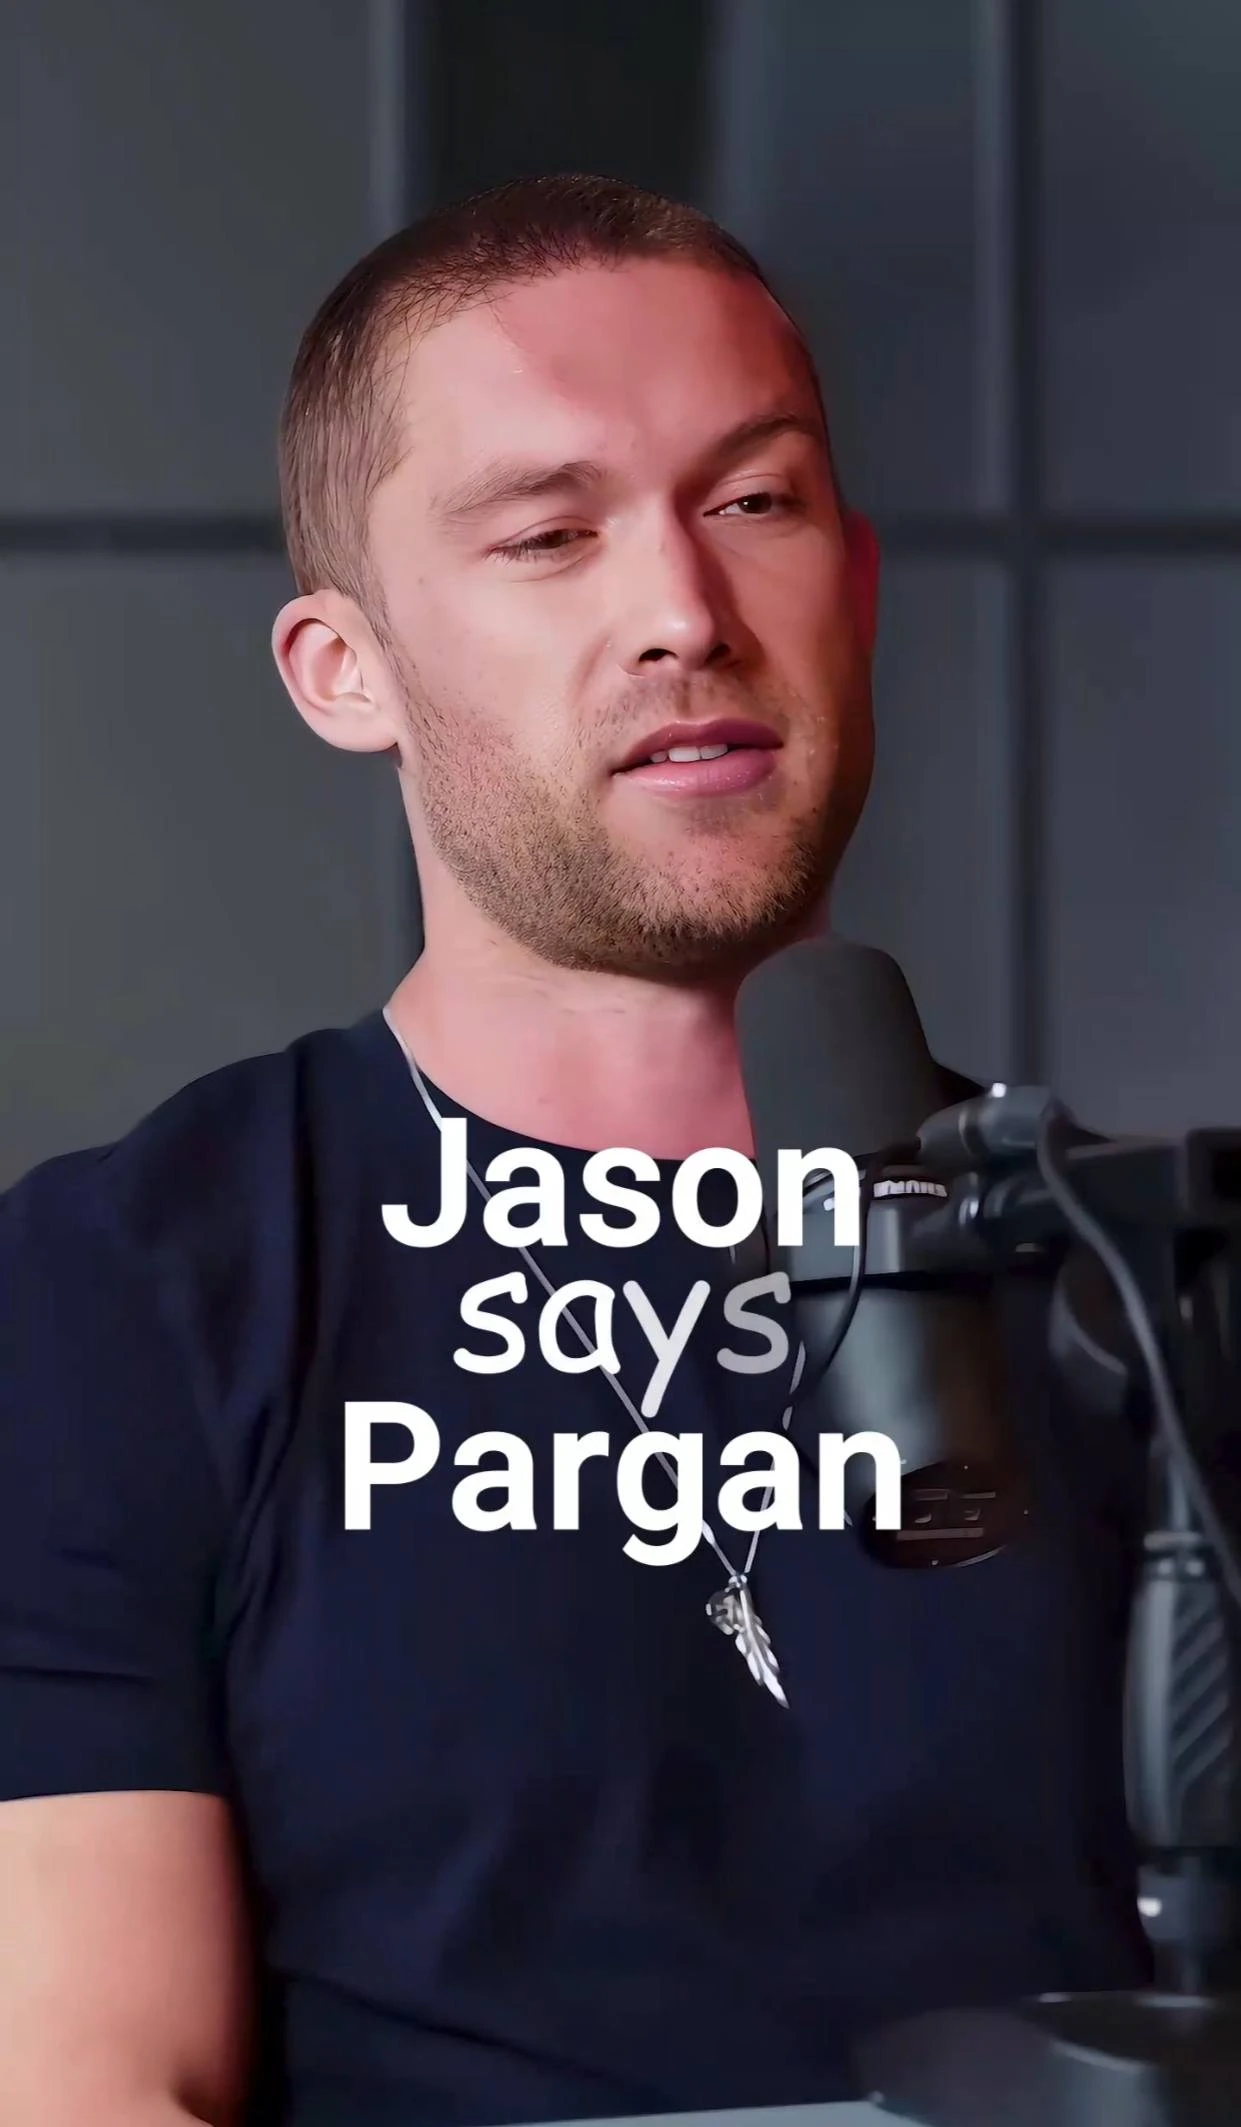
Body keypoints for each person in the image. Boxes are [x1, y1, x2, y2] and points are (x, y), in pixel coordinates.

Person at [0, 174, 1150, 2127]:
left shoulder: (1137, 1284)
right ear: (343, 671)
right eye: (549, 535)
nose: (684, 613)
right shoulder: (121, 1294)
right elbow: (88, 2077)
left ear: (857, 585)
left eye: (756, 502)